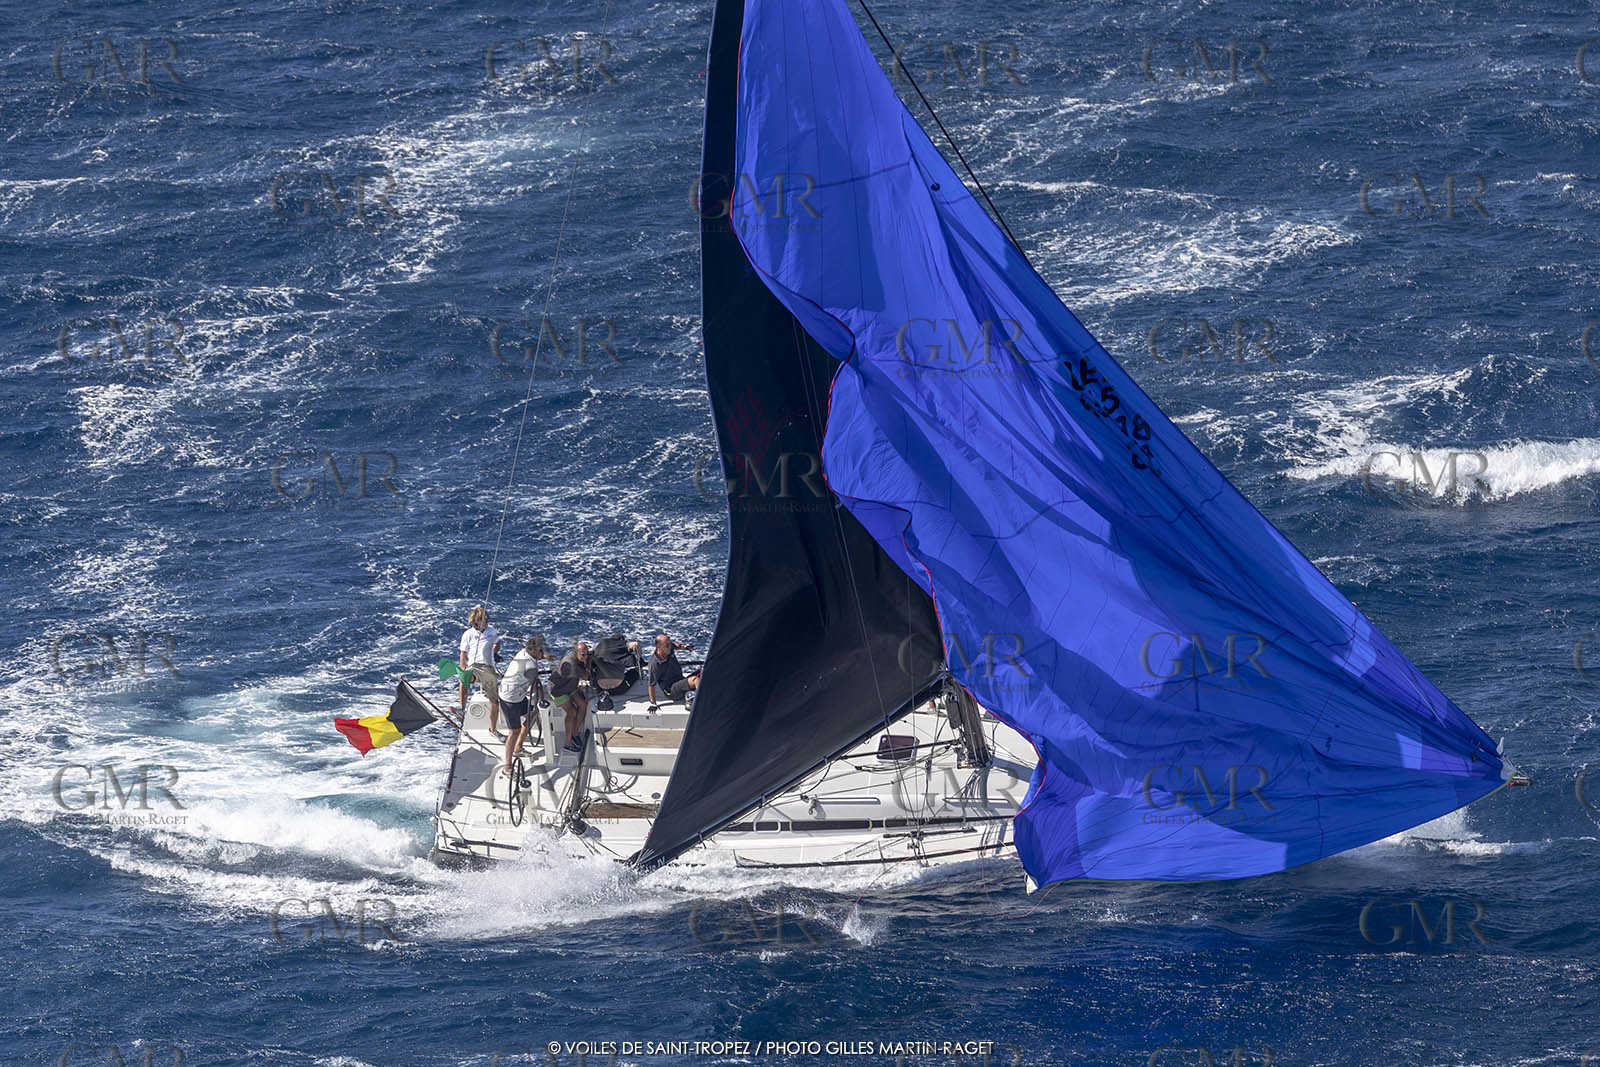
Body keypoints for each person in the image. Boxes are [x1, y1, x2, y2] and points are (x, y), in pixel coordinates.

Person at [497, 635, 548, 777]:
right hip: (510, 699)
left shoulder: (524, 652)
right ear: (533, 651)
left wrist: (547, 656)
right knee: (514, 731)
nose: (542, 653)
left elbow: (537, 657)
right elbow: (536, 688)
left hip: (517, 695)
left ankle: (518, 749)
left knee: (531, 715)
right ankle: (507, 769)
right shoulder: (530, 666)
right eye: (541, 651)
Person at [458, 605, 502, 735]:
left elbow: (498, 643)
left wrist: (494, 651)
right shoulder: (468, 634)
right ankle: (461, 709)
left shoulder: (492, 631)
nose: (487, 622)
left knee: (494, 701)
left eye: (487, 619)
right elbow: (463, 653)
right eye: (484, 620)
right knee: (464, 679)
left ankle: (493, 730)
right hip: (474, 666)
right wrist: (463, 668)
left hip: (488, 668)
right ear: (476, 621)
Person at [550, 640, 593, 754]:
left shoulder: (578, 658)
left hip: (570, 687)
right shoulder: (571, 663)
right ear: (576, 652)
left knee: (583, 704)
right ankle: (568, 744)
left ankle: (575, 733)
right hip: (558, 690)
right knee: (572, 712)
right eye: (583, 654)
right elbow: (585, 676)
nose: (585, 657)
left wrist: (586, 657)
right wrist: (588, 663)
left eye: (587, 654)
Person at [589, 634, 642, 710]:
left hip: (600, 689)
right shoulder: (622, 650)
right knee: (634, 672)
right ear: (621, 640)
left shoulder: (600, 647)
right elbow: (635, 662)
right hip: (619, 689)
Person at [647, 633, 698, 710]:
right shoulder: (654, 664)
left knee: (702, 672)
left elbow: (675, 644)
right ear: (659, 647)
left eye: (669, 644)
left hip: (680, 680)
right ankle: (700, 701)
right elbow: (651, 685)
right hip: (670, 690)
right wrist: (653, 703)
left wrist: (685, 647)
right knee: (695, 680)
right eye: (667, 645)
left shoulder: (668, 649)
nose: (670, 647)